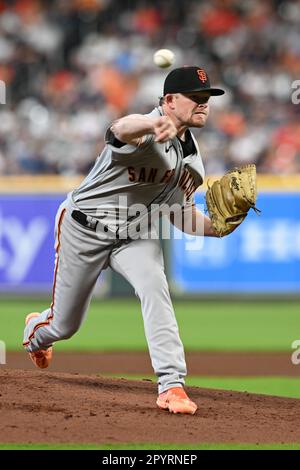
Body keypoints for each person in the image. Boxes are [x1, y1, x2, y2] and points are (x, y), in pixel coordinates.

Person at [23, 66, 225, 415]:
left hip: (136, 234)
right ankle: (34, 333)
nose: (203, 104)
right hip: (84, 228)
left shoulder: (192, 162)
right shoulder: (145, 131)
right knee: (64, 325)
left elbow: (182, 216)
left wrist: (219, 227)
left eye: (207, 99)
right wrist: (151, 123)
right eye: (196, 98)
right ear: (169, 101)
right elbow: (117, 130)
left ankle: (171, 385)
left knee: (155, 287)